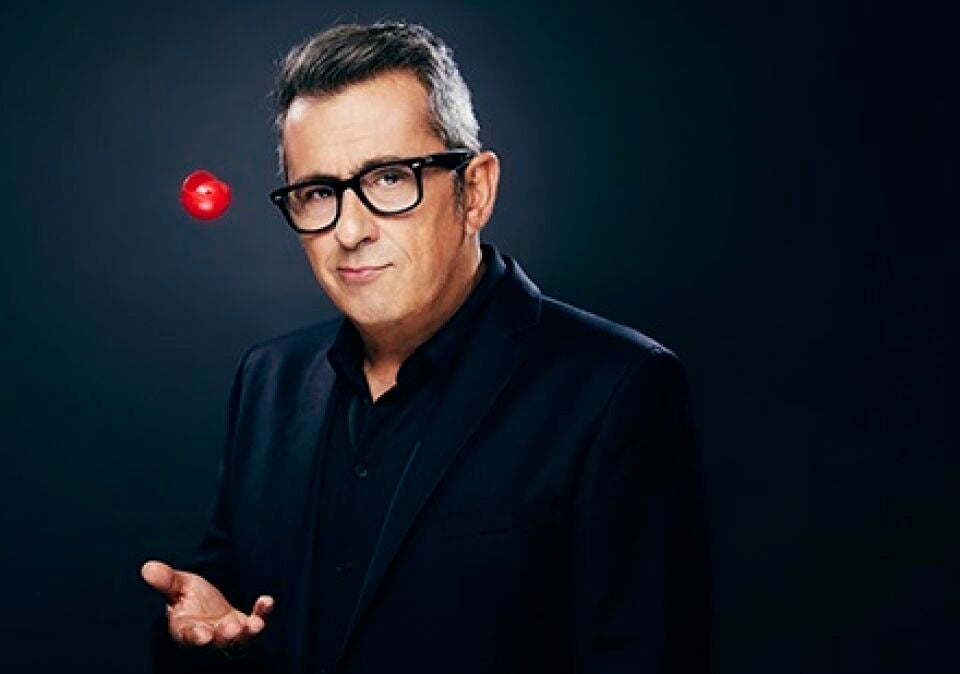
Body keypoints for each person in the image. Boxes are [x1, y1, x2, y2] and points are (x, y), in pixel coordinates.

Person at [141, 21, 711, 674]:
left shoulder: (616, 388)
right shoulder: (269, 380)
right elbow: (232, 608)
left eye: (389, 178)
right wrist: (205, 639)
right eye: (319, 192)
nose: (350, 230)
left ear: (475, 191)